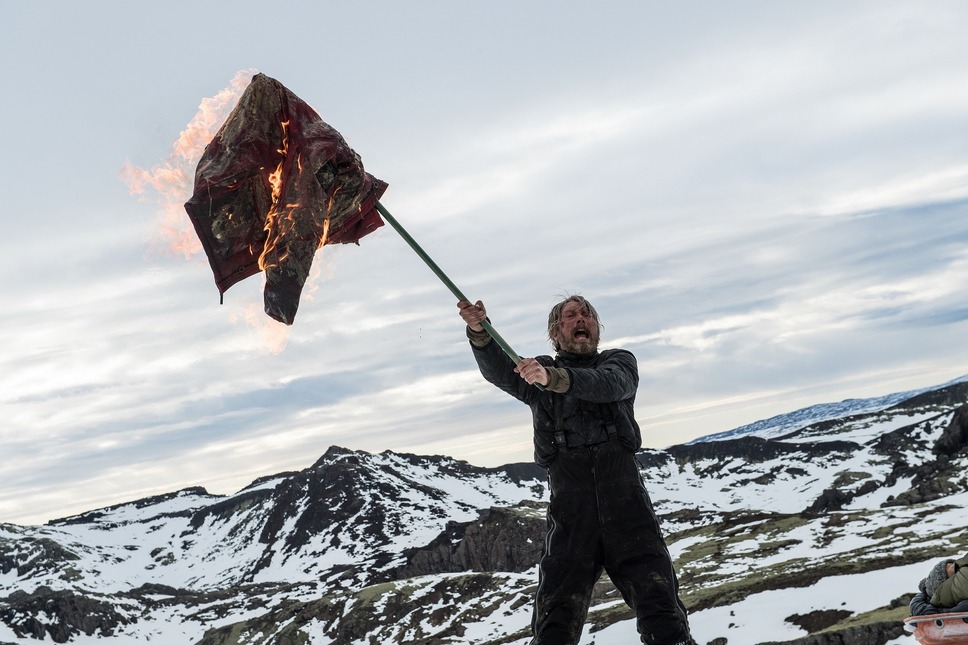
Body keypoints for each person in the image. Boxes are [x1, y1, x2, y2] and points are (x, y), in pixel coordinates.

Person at [458, 295, 695, 645]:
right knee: (555, 627)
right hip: (571, 518)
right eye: (570, 315)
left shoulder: (619, 362)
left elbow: (610, 385)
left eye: (588, 314)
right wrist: (479, 329)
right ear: (556, 333)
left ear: (596, 327)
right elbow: (498, 369)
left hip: (629, 513)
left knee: (664, 621)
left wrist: (552, 377)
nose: (581, 319)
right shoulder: (535, 372)